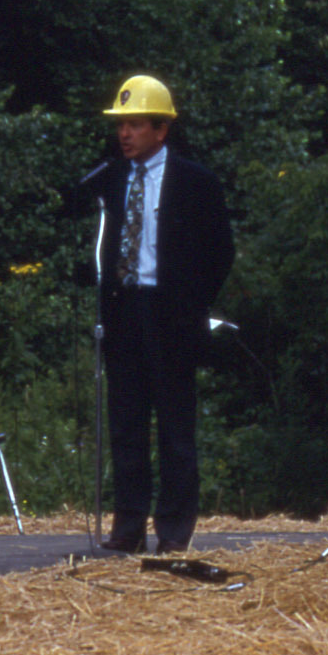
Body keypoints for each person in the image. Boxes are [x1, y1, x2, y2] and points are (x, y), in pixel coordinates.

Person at [92, 75, 235, 555]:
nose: (125, 134)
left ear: (161, 129)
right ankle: (128, 525)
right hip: (123, 310)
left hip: (170, 314)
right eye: (121, 125)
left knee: (175, 426)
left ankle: (173, 530)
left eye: (134, 125)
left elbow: (221, 251)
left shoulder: (196, 182)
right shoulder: (112, 179)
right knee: (127, 423)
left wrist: (191, 303)